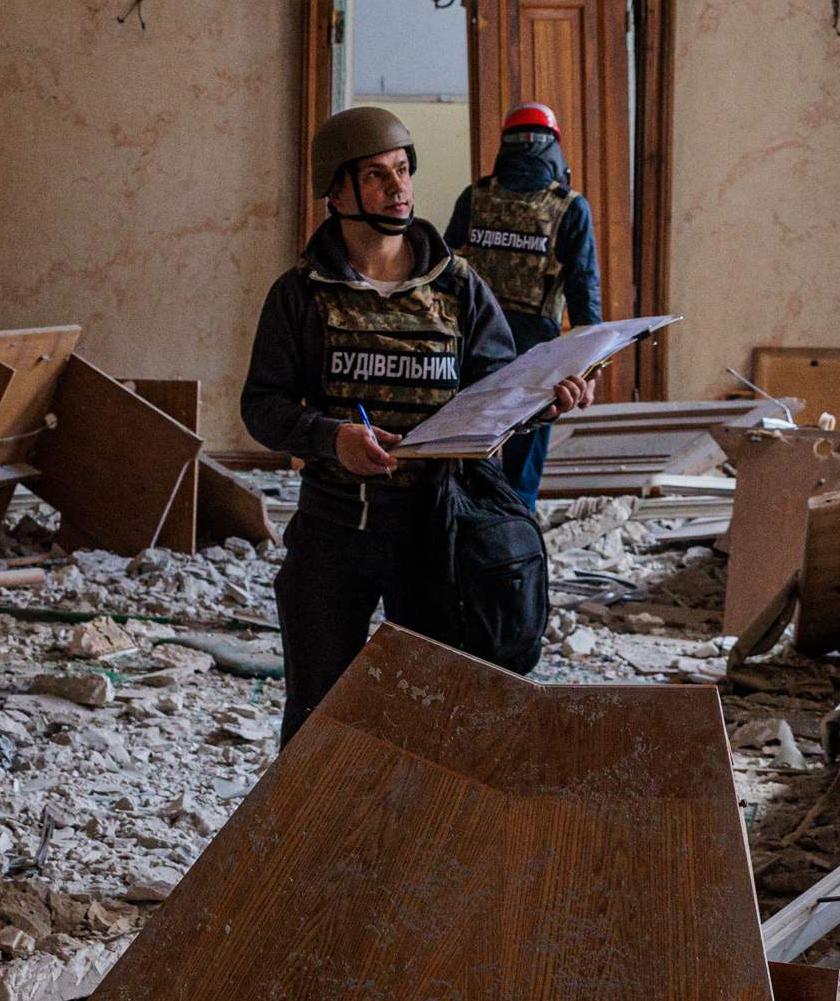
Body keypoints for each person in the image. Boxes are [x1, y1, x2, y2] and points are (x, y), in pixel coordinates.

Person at [241, 105, 592, 740]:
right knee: (317, 721)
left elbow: (496, 390)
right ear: (337, 190)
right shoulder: (300, 294)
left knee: (437, 724)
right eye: (376, 175)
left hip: (438, 535)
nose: (398, 188)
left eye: (403, 171)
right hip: (335, 531)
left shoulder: (457, 288)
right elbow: (262, 406)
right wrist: (333, 439)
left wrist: (546, 399)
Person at [444, 101, 603, 504]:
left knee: (467, 458)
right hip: (537, 355)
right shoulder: (570, 207)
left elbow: (442, 275)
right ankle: (513, 550)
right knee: (520, 475)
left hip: (470, 349)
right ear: (554, 147)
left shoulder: (474, 197)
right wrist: (591, 367)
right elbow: (585, 292)